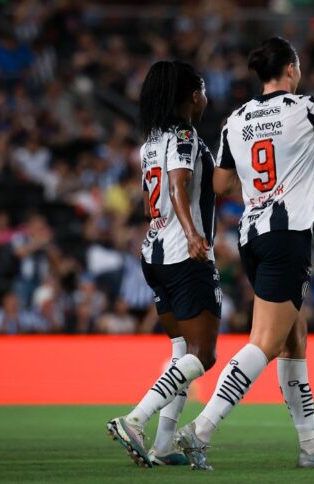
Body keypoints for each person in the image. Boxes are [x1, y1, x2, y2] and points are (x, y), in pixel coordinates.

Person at [173, 38, 314, 471]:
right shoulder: (305, 107)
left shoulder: (236, 119)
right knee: (266, 342)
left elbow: (220, 185)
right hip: (287, 236)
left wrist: (259, 180)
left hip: (252, 237)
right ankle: (201, 429)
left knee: (294, 336)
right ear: (291, 69)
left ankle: (310, 447)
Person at [106, 60, 221, 467]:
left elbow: (148, 202)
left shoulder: (149, 143)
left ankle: (164, 444)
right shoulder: (184, 135)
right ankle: (136, 419)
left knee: (181, 352)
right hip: (183, 255)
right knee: (203, 354)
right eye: (202, 89)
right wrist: (192, 234)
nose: (205, 97)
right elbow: (177, 186)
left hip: (153, 253)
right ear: (192, 95)